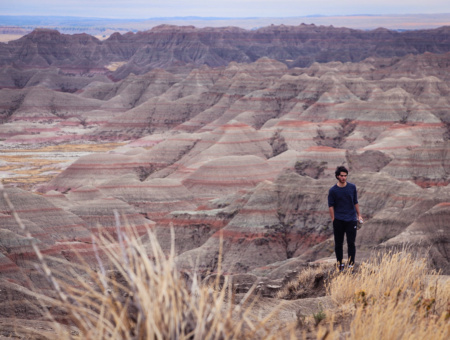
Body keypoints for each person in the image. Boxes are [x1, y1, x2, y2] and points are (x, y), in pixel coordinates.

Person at [328, 166, 363, 271]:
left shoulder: (352, 187)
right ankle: (340, 265)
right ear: (337, 176)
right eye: (342, 176)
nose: (344, 177)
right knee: (338, 243)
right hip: (338, 220)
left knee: (351, 243)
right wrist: (333, 219)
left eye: (345, 176)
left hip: (351, 219)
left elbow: (355, 202)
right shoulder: (333, 190)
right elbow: (331, 206)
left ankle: (351, 264)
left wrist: (359, 215)